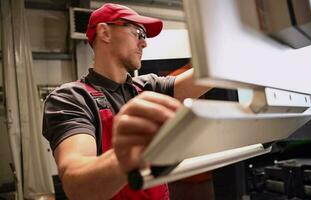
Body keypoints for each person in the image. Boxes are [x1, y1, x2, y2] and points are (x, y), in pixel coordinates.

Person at [42, 3, 210, 200]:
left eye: (144, 36)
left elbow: (205, 76)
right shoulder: (72, 98)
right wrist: (123, 159)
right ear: (105, 32)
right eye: (137, 32)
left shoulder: (147, 87)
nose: (144, 43)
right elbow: (76, 184)